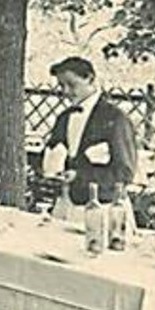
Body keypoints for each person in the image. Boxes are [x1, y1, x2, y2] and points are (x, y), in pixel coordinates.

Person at [43, 56, 139, 208]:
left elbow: (124, 173)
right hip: (65, 203)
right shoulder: (64, 118)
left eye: (71, 84)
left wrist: (80, 176)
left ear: (90, 79)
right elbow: (52, 154)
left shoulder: (115, 119)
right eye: (61, 86)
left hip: (103, 205)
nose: (66, 91)